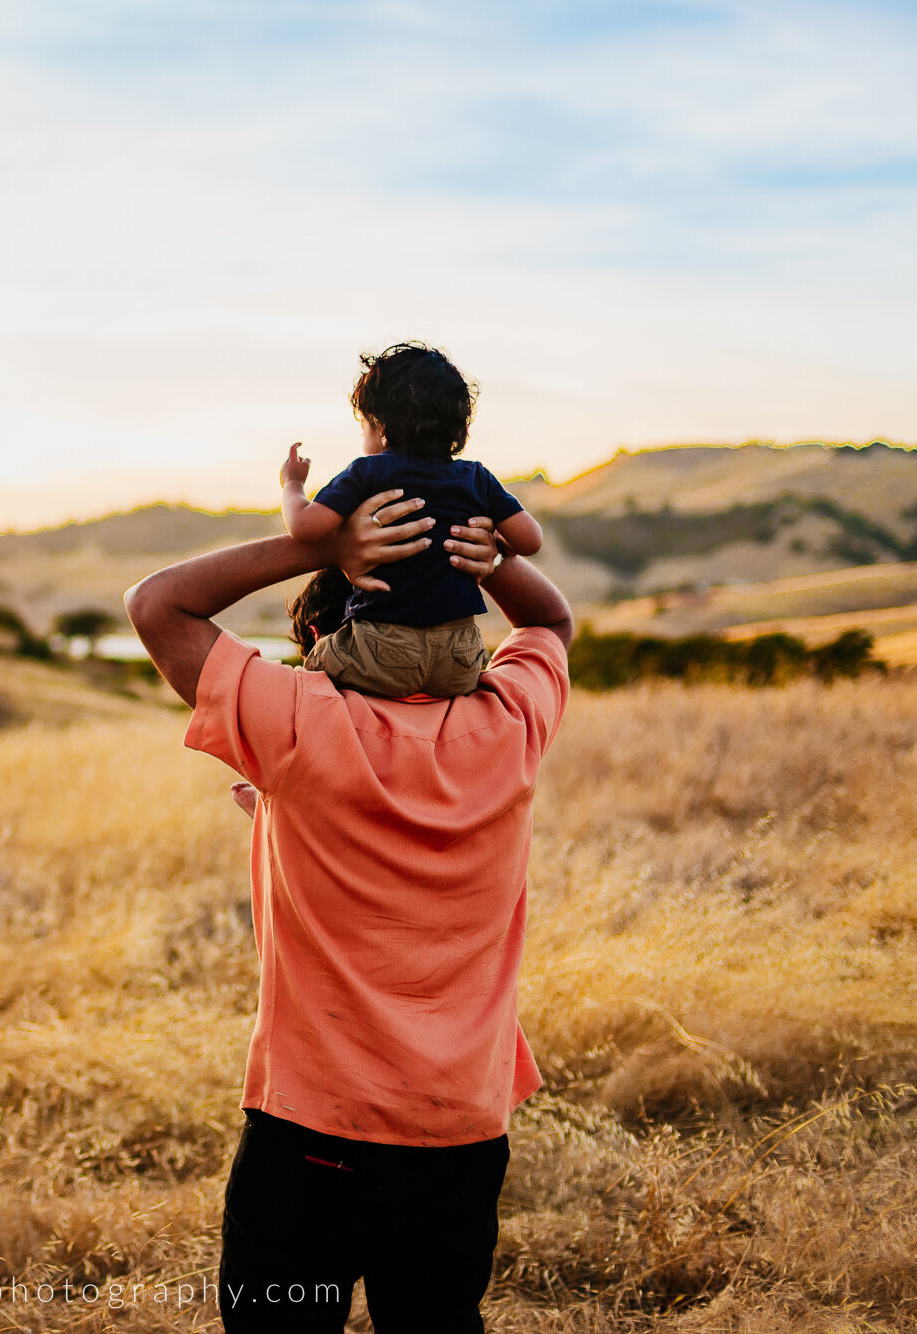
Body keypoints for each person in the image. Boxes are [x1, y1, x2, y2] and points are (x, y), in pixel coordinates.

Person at [123, 491, 573, 1333]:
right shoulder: (509, 722)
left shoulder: (300, 725)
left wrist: (323, 541)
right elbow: (552, 623)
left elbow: (156, 604)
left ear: (325, 641)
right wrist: (485, 552)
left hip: (313, 1134)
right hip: (459, 1135)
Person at [280, 342, 543, 698]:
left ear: (382, 428)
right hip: (461, 659)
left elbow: (304, 527)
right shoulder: (476, 477)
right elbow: (530, 541)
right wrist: (491, 545)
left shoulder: (368, 472)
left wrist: (293, 485)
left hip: (383, 648)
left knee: (313, 668)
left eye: (364, 429)